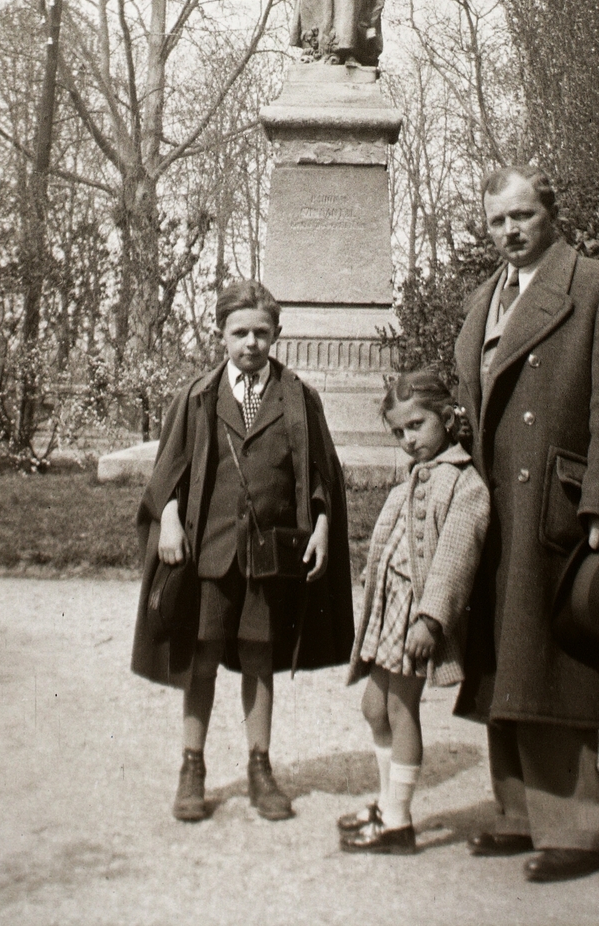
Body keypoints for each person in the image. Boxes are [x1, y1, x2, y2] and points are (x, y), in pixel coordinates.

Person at [453, 165, 599, 882]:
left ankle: (573, 832)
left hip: (559, 511)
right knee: (504, 664)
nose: (509, 231)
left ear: (550, 213)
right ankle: (516, 816)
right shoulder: (482, 300)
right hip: (497, 507)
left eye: (522, 216)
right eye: (497, 220)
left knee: (555, 665)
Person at [131, 279, 354, 823]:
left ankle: (260, 768)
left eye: (261, 332)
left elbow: (322, 475)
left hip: (269, 559)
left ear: (277, 333)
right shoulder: (198, 397)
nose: (251, 343)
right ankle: (192, 767)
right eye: (239, 333)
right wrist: (168, 523)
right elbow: (167, 475)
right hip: (209, 554)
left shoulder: (299, 398)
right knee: (201, 657)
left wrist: (322, 526)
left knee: (259, 658)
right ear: (220, 334)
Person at [338, 368, 490, 854]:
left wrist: (432, 619)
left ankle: (399, 823)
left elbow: (453, 561)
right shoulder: (412, 480)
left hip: (416, 619)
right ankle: (387, 802)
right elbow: (387, 542)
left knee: (401, 709)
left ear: (447, 419)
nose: (407, 439)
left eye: (416, 426)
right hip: (389, 612)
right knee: (373, 706)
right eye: (398, 431)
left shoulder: (465, 486)